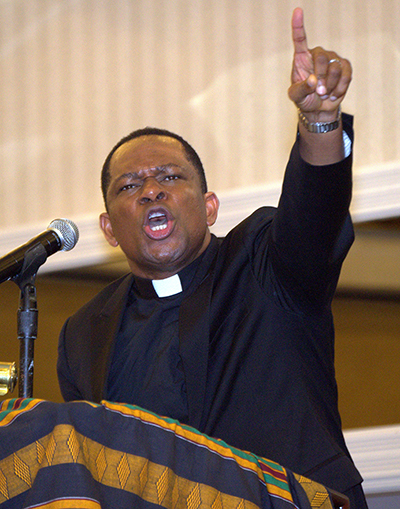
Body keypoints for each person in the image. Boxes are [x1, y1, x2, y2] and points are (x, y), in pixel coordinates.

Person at [57, 8, 367, 508]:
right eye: (130, 185)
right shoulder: (82, 332)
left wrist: (319, 119)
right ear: (109, 229)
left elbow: (317, 209)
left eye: (171, 178)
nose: (152, 191)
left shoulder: (265, 260)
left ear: (209, 206)